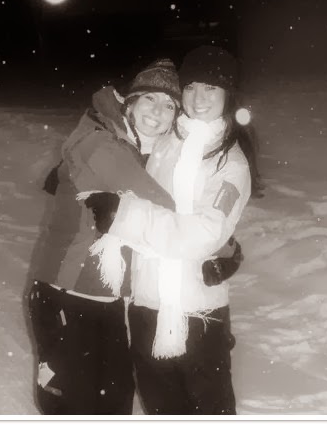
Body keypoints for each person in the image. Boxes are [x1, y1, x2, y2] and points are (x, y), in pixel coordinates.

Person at [25, 57, 243, 415]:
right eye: (149, 99)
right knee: (75, 406)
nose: (158, 112)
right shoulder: (103, 145)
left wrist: (218, 242)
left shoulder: (136, 146)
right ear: (130, 101)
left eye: (169, 105)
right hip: (66, 298)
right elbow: (166, 208)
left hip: (108, 305)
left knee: (113, 406)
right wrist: (223, 245)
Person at [86, 45, 261, 415]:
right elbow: (118, 133)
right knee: (162, 411)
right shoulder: (166, 140)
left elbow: (201, 234)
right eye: (192, 86)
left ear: (228, 95)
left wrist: (124, 216)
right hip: (146, 306)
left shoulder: (231, 164)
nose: (199, 98)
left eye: (211, 88)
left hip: (198, 312)